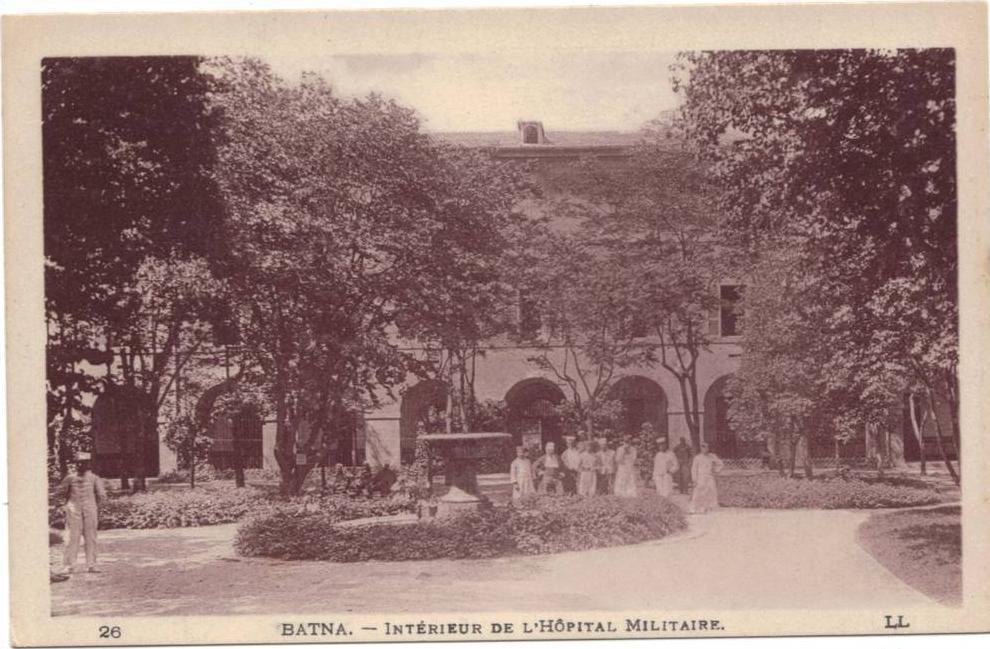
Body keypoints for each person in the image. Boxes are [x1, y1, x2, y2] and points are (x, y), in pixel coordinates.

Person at [59, 452, 106, 574]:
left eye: (83, 463)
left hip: (90, 509)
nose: (80, 465)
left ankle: (91, 565)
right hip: (74, 509)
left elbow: (102, 495)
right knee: (72, 537)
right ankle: (69, 565)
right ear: (75, 464)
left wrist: (95, 507)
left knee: (91, 537)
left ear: (88, 464)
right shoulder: (70, 478)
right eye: (78, 463)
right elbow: (61, 493)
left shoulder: (94, 478)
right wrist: (65, 506)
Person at [690, 442, 725, 514]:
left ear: (708, 448)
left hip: (709, 476)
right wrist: (694, 479)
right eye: (703, 447)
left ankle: (708, 508)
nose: (704, 449)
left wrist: (715, 470)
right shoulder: (697, 457)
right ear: (701, 448)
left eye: (706, 447)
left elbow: (721, 464)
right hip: (700, 477)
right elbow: (694, 469)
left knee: (711, 492)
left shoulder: (712, 456)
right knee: (698, 493)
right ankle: (694, 508)